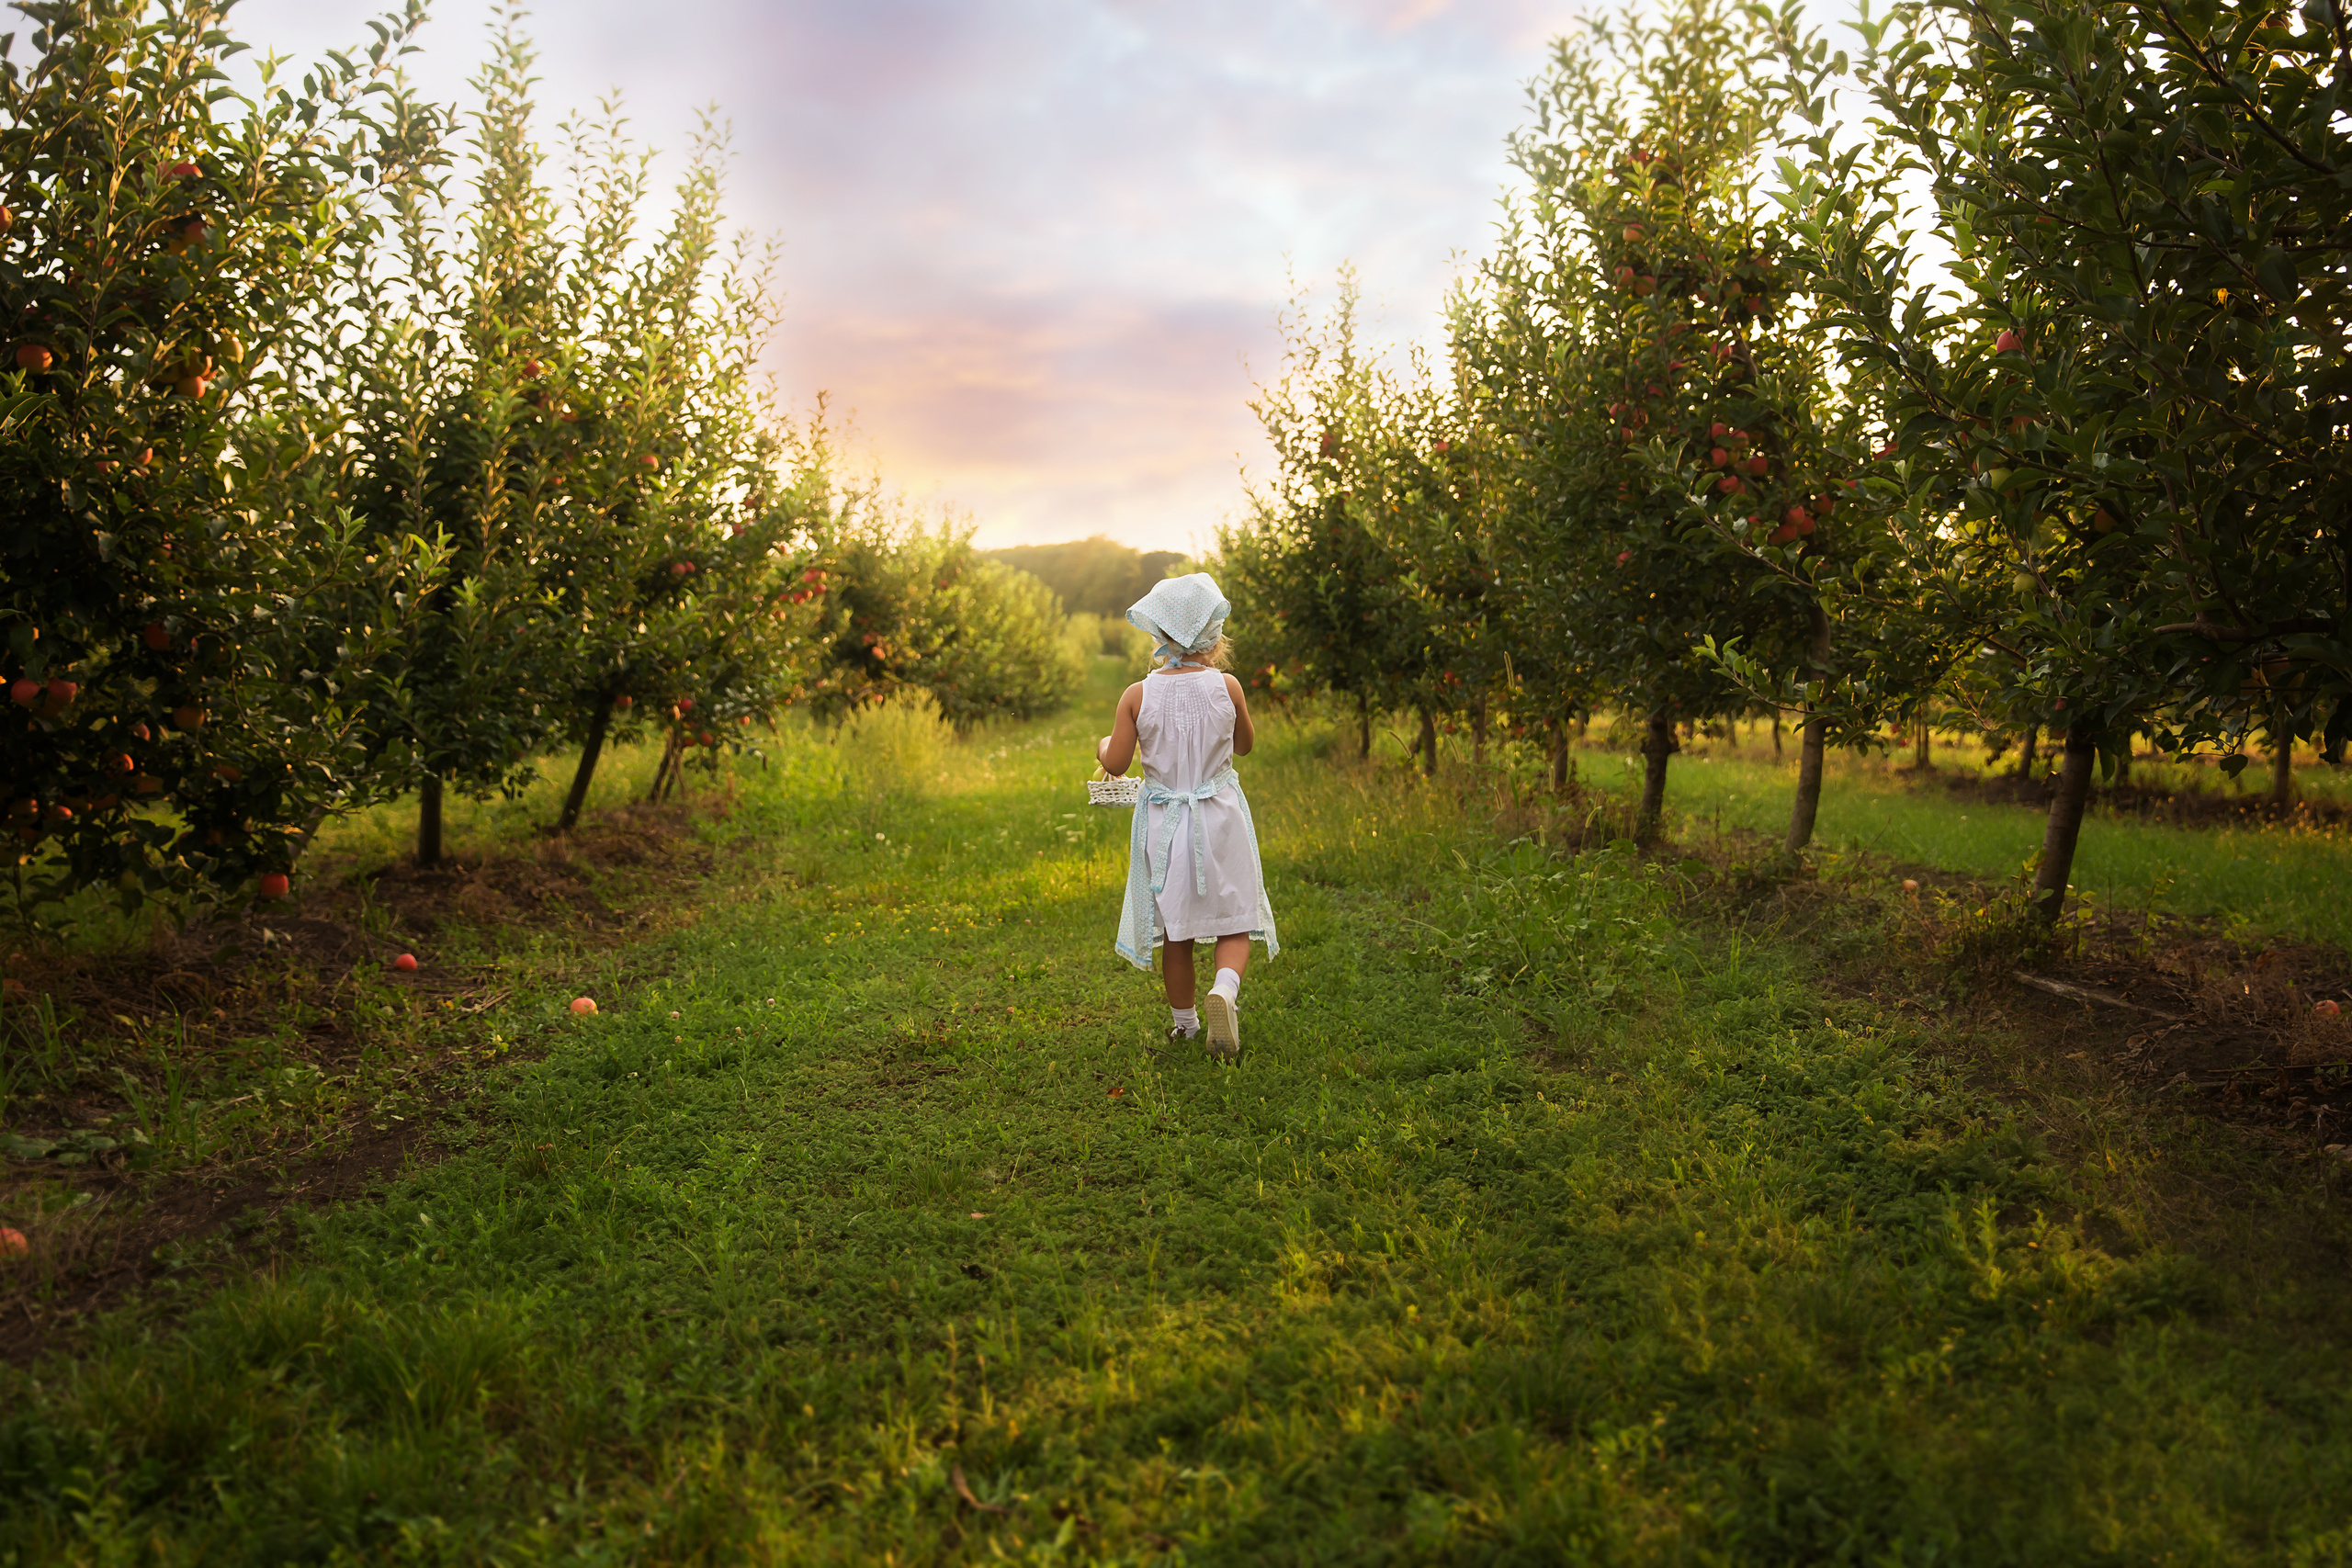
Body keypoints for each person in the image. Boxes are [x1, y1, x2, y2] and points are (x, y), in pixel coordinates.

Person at [1097, 573, 1278, 1059]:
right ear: (1214, 637)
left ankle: (1187, 1024)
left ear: (1159, 634)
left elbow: (1117, 763)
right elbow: (1245, 745)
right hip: (1221, 819)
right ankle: (1224, 990)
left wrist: (1102, 745)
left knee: (1177, 933)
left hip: (1168, 827)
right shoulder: (1228, 686)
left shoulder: (1137, 694)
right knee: (1234, 921)